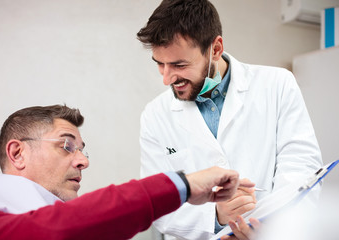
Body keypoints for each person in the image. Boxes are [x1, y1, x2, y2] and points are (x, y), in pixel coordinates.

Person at [136, 0, 322, 239]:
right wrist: (216, 216)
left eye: (179, 65)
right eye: (160, 64)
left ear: (215, 49)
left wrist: (275, 228)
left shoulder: (277, 85)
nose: (167, 78)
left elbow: (301, 167)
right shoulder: (155, 115)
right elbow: (157, 204)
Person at [0, 104, 252, 240]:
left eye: (82, 151)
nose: (83, 162)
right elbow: (62, 225)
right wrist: (185, 185)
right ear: (17, 153)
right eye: (66, 146)